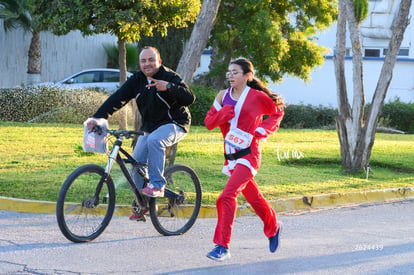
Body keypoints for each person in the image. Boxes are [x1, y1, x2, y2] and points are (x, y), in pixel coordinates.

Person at [87, 46, 196, 220]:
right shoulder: (137, 80)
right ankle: (142, 204)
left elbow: (190, 98)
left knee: (155, 140)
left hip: (176, 123)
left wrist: (168, 87)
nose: (147, 64)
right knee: (136, 164)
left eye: (151, 60)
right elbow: (117, 99)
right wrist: (97, 118)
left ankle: (158, 184)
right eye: (143, 61)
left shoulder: (169, 77)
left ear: (159, 61)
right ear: (140, 63)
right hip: (150, 128)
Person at [204, 58, 285, 261]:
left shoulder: (256, 96)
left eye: (235, 72)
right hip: (231, 157)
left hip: (249, 155)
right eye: (229, 72)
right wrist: (222, 114)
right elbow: (208, 123)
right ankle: (274, 226)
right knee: (253, 198)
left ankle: (222, 246)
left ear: (247, 76)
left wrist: (262, 130)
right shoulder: (223, 96)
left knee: (225, 196)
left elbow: (277, 112)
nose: (231, 76)